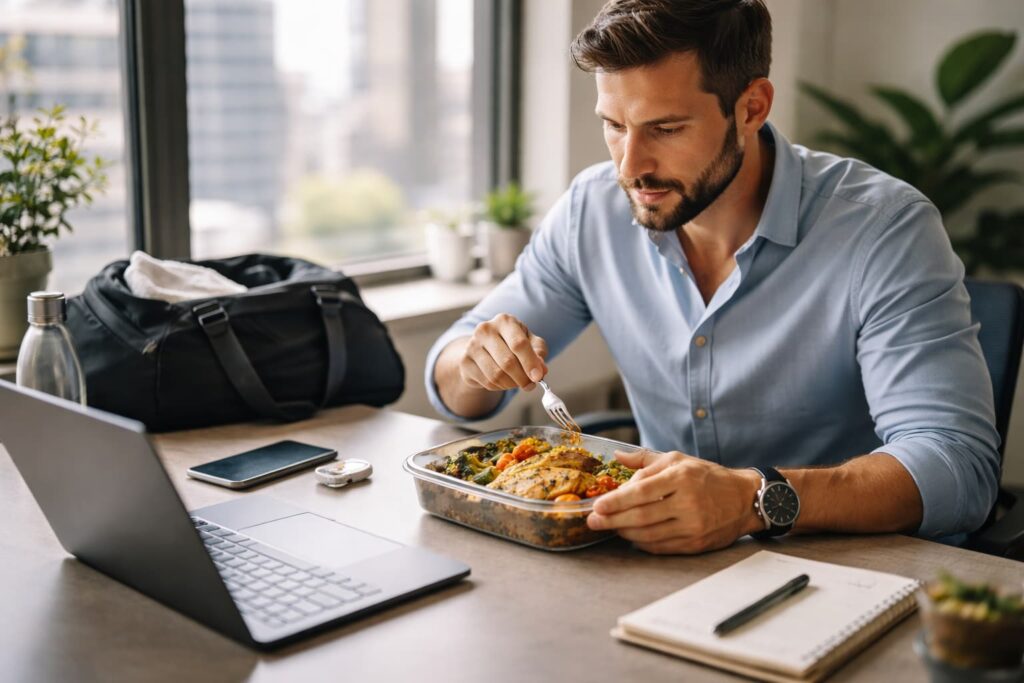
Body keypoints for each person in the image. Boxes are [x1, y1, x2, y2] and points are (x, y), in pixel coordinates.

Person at [425, 0, 999, 554]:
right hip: (662, 560)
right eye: (614, 125)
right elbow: (454, 380)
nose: (630, 167)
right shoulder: (591, 210)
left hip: (848, 567)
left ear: (751, 107)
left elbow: (958, 467)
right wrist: (478, 363)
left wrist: (753, 499)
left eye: (666, 129)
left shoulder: (884, 229)